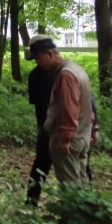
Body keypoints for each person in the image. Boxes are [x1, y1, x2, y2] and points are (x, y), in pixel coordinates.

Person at [25, 64, 100, 205]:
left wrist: (94, 127)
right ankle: (31, 202)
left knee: (80, 171)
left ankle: (86, 207)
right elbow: (40, 107)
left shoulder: (67, 74)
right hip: (51, 129)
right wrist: (44, 129)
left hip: (73, 132)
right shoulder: (35, 76)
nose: (37, 61)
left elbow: (87, 100)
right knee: (41, 166)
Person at [26, 34, 93, 187]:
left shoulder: (65, 75)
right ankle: (85, 210)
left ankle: (74, 211)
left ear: (49, 54)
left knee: (71, 186)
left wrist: (64, 139)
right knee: (81, 181)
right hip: (82, 135)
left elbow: (69, 108)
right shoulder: (76, 69)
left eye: (37, 58)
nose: (36, 62)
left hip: (70, 140)